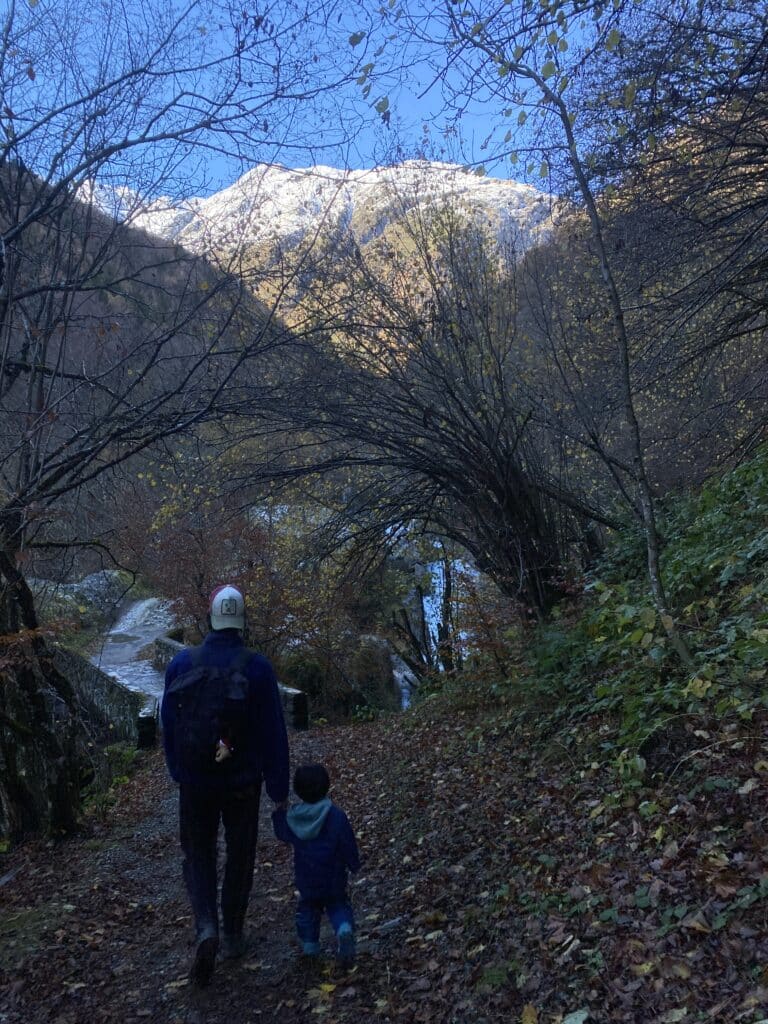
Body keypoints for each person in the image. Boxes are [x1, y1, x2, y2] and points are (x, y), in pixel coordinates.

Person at [161, 584, 289, 986]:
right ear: (241, 621)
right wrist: (279, 790)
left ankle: (205, 928)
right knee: (239, 854)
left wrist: (177, 769)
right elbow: (273, 732)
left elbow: (168, 722)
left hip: (196, 781)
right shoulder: (258, 667)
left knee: (198, 854)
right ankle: (233, 933)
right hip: (242, 782)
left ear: (212, 618)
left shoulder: (182, 663)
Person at [272, 763, 360, 965]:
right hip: (334, 876)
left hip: (307, 878)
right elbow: (347, 842)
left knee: (308, 910)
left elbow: (282, 833)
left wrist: (278, 813)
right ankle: (344, 928)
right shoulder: (336, 815)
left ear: (297, 790)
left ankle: (310, 945)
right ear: (327, 785)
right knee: (337, 905)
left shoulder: (294, 818)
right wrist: (353, 863)